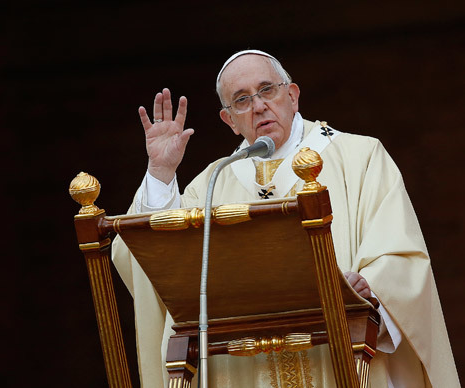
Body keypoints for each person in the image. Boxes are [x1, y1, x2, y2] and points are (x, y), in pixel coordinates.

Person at [111, 50, 460, 387]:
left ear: (292, 96)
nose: (259, 105)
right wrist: (160, 172)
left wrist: (369, 294)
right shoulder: (212, 184)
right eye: (242, 100)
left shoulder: (360, 157)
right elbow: (154, 264)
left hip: (345, 365)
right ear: (229, 120)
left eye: (267, 90)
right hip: (245, 371)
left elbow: (401, 257)